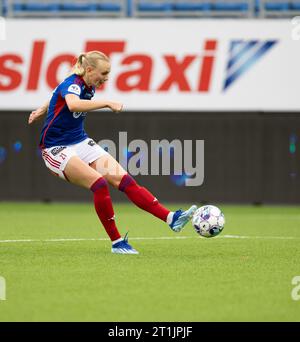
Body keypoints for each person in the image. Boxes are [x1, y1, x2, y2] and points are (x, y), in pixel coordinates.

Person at [28, 50, 197, 255]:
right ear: (89, 70)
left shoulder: (86, 85)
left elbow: (57, 93)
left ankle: (171, 218)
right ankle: (117, 243)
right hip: (55, 148)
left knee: (124, 181)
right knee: (99, 184)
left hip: (79, 141)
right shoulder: (74, 83)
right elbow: (72, 104)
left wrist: (41, 109)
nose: (106, 78)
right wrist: (107, 102)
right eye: (104, 73)